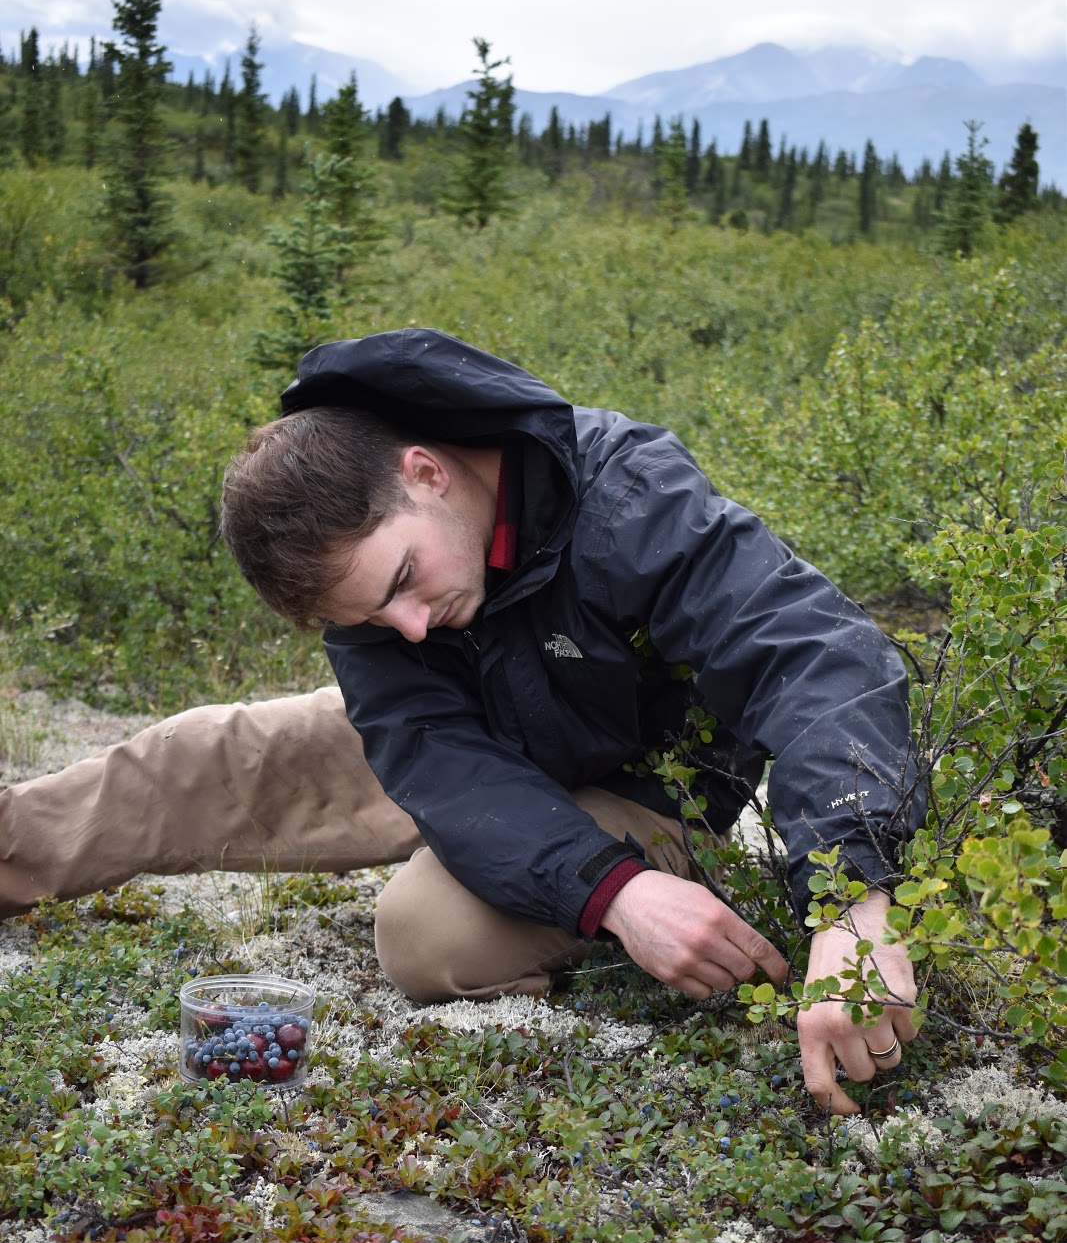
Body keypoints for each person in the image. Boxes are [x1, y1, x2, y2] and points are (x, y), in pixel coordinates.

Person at [0, 329, 924, 1114]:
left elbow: (816, 656)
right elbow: (429, 751)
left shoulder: (628, 497)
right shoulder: (386, 594)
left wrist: (848, 901)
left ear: (427, 473)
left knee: (428, 935)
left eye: (403, 581)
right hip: (480, 739)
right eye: (372, 618)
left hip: (640, 784)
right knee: (201, 757)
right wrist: (615, 897)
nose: (407, 628)